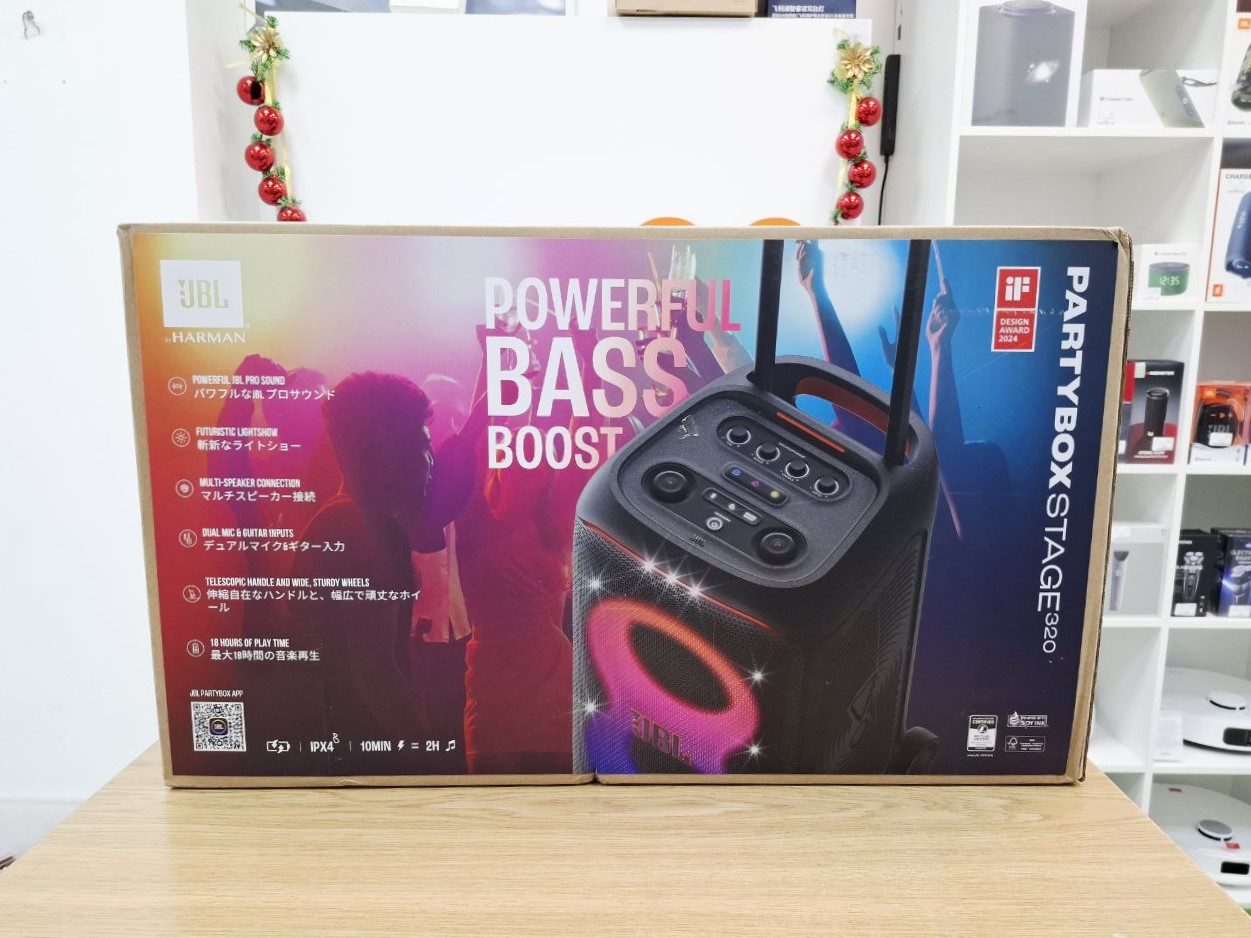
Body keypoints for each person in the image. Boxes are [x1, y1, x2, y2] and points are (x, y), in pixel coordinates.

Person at [289, 372, 433, 768]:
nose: (429, 460)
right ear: (385, 450)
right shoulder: (359, 531)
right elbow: (375, 672)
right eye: (422, 444)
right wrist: (425, 757)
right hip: (372, 761)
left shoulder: (341, 521)